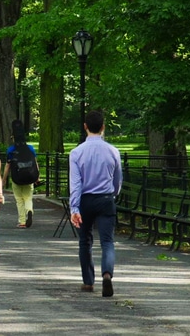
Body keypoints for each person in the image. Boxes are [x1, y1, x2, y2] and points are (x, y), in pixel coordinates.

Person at [70, 110, 123, 297]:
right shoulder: (113, 151)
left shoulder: (76, 153)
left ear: (85, 127)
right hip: (106, 199)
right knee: (107, 241)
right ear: (103, 127)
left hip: (85, 200)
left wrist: (74, 207)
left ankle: (88, 281)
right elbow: (117, 180)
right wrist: (113, 194)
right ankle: (107, 274)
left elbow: (75, 184)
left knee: (85, 241)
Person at [3, 120, 37, 228]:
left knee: (19, 199)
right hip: (29, 176)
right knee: (28, 197)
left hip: (17, 177)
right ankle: (29, 210)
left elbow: (8, 166)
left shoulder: (11, 150)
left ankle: (22, 221)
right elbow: (35, 163)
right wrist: (37, 175)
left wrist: (4, 179)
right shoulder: (30, 148)